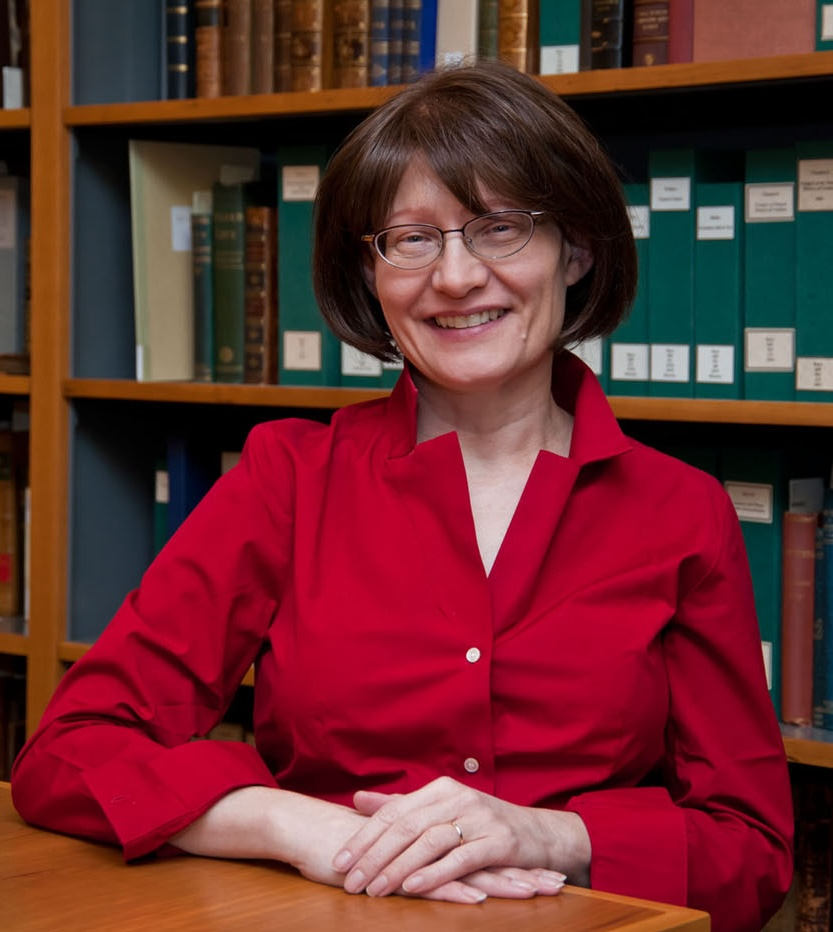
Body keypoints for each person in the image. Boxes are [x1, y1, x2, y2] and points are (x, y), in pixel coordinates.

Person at [12, 61, 791, 930]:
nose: (454, 278)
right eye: (410, 239)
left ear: (576, 250)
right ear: (371, 277)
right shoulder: (288, 477)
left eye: (499, 228)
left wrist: (546, 835)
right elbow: (69, 754)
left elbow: (750, 850)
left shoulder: (678, 511)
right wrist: (288, 822)